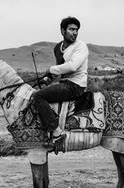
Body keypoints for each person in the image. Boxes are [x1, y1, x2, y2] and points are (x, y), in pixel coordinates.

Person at [32, 16, 89, 147]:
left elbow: (72, 66)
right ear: (62, 31)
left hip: (75, 85)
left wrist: (50, 69)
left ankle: (57, 133)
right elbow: (60, 69)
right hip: (64, 83)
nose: (75, 33)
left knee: (38, 96)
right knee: (36, 92)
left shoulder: (81, 46)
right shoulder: (58, 48)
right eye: (71, 29)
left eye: (76, 30)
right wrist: (46, 79)